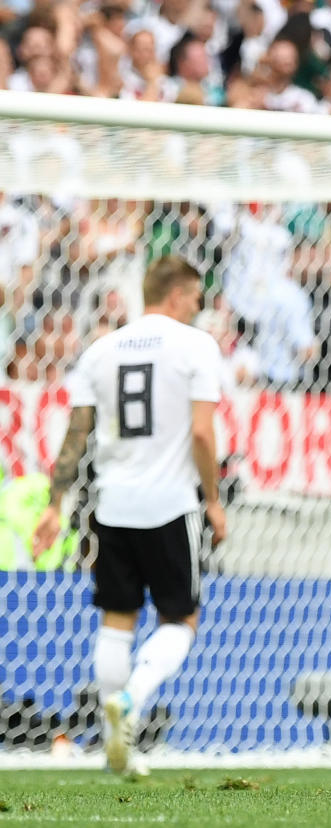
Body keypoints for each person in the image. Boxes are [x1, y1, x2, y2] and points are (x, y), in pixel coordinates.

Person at [31, 256, 227, 777]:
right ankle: (135, 698)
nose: (199, 308)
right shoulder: (194, 346)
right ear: (180, 293)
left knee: (116, 622)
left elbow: (76, 436)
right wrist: (212, 498)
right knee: (181, 619)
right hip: (170, 505)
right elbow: (204, 434)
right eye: (197, 298)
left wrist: (55, 505)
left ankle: (115, 748)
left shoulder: (100, 351)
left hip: (111, 507)